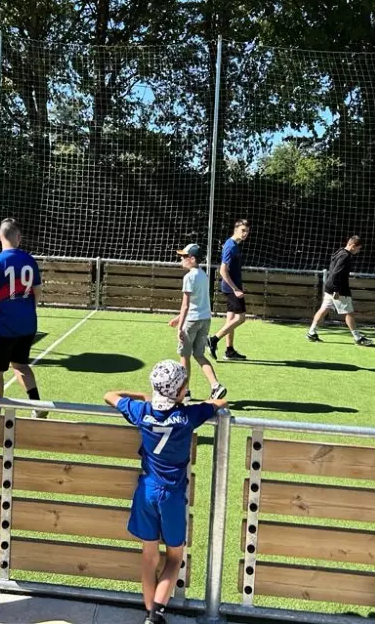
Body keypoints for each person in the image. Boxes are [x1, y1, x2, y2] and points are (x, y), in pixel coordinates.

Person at [104, 361, 227, 624]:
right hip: (171, 495)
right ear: (180, 391)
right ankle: (156, 614)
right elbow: (220, 403)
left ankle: (150, 614)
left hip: (146, 491)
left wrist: (142, 396)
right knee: (174, 557)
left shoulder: (141, 411)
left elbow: (110, 395)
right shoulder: (188, 416)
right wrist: (203, 402)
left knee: (149, 557)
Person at [0, 218, 47, 419]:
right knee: (20, 365)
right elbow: (37, 290)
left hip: (3, 326)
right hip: (28, 324)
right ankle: (37, 405)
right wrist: (29, 310)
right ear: (18, 237)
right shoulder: (29, 260)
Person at [168, 244, 226, 400]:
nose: (181, 259)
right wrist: (178, 319)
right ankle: (216, 386)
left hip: (192, 321)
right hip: (205, 320)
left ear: (192, 259)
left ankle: (184, 391)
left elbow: (186, 305)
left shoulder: (189, 277)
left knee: (184, 356)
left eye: (184, 256)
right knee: (199, 355)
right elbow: (198, 302)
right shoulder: (203, 275)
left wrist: (180, 327)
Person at [306, 236, 373, 346]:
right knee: (349, 313)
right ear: (353, 246)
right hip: (338, 289)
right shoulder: (345, 256)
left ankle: (311, 332)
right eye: (358, 248)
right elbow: (336, 274)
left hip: (329, 287)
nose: (358, 251)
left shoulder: (339, 252)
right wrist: (336, 291)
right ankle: (357, 338)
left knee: (324, 309)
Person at [209, 219, 251, 361]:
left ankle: (229, 351)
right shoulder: (230, 246)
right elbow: (223, 270)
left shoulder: (235, 245)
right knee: (241, 318)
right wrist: (235, 289)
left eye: (247, 231)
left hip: (233, 287)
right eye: (243, 230)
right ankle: (213, 340)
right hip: (232, 289)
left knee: (231, 319)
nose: (245, 234)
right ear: (235, 229)